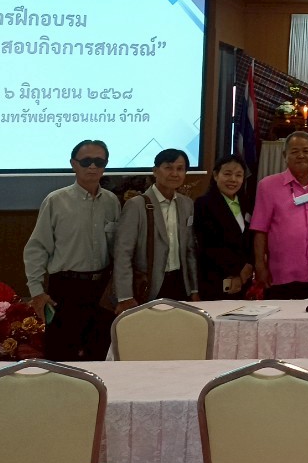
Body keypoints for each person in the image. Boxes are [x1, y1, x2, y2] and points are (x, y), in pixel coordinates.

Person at [23, 140, 119, 361]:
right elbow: (37, 248)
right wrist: (36, 291)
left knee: (100, 356)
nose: (92, 166)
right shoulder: (56, 201)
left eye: (99, 162)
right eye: (86, 161)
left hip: (102, 290)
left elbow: (117, 249)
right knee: (61, 357)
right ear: (73, 164)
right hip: (66, 289)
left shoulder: (112, 202)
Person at [113, 148, 200, 311]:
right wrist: (125, 296)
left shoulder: (187, 204)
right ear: (155, 171)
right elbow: (123, 253)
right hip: (148, 286)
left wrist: (194, 289)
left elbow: (189, 250)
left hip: (180, 283)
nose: (174, 173)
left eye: (180, 169)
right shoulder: (136, 205)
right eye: (168, 168)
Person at [251, 131, 308, 300]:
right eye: (295, 151)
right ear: (284, 155)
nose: (301, 155)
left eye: (306, 151)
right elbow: (260, 229)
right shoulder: (267, 186)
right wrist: (260, 265)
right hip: (281, 274)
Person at [193, 153, 255, 301]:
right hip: (216, 279)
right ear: (216, 175)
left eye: (238, 175)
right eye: (227, 174)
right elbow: (208, 244)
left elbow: (252, 238)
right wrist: (237, 271)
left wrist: (249, 265)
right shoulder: (203, 204)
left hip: (245, 279)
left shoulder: (247, 203)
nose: (233, 179)